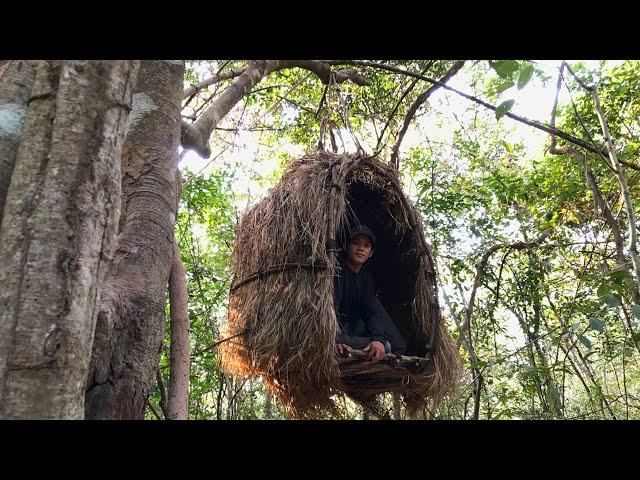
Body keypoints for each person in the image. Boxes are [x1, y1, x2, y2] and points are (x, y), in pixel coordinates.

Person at [333, 225, 407, 363]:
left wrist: (378, 339)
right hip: (337, 330)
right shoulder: (336, 270)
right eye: (356, 243)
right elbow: (330, 310)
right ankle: (364, 344)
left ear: (370, 253)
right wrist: (335, 339)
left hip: (356, 328)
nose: (361, 249)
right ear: (346, 246)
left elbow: (371, 310)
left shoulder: (366, 277)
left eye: (366, 246)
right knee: (336, 338)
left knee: (396, 343)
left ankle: (382, 348)